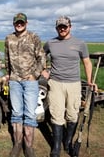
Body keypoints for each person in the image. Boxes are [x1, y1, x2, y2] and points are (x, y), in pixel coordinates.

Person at [42, 16, 96, 157]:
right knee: (56, 115)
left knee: (72, 115)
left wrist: (90, 81)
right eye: (60, 26)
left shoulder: (80, 43)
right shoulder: (50, 43)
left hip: (74, 84)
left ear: (70, 27)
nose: (62, 29)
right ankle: (56, 147)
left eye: (65, 26)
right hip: (55, 83)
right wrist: (44, 70)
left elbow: (87, 63)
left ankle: (68, 142)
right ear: (56, 28)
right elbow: (41, 56)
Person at [5, 13, 46, 157]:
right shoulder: (8, 38)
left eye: (22, 22)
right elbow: (7, 58)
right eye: (17, 22)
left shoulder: (33, 37)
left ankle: (28, 146)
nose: (19, 24)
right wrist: (9, 74)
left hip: (30, 82)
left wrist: (34, 75)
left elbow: (41, 58)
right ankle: (17, 144)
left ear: (26, 23)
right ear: (14, 23)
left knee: (29, 114)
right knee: (16, 113)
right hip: (15, 80)